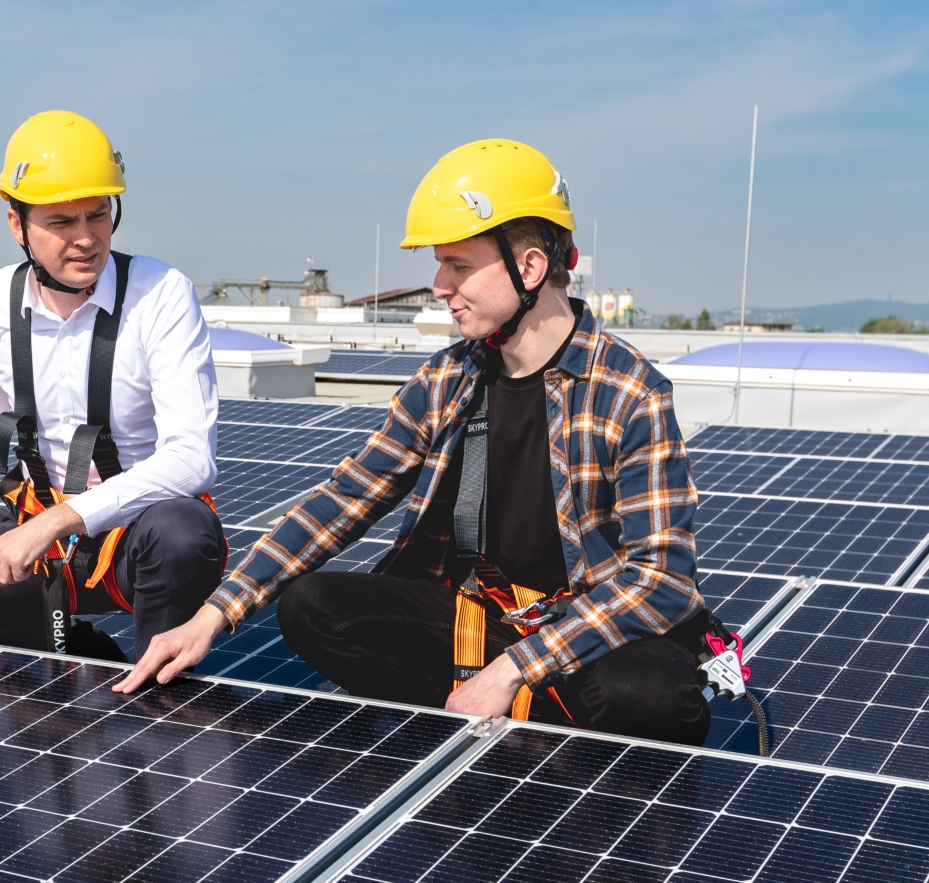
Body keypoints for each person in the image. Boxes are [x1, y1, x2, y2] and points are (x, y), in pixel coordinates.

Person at [117, 139, 712, 745]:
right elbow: (343, 500)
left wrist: (516, 669)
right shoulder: (447, 380)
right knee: (310, 607)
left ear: (529, 268)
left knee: (651, 697)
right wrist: (215, 614)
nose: (438, 285)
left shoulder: (628, 393)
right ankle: (478, 720)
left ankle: (513, 706)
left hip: (583, 629)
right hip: (483, 617)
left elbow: (662, 580)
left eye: (458, 265)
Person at [0, 111, 225, 661]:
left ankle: (155, 694)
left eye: (99, 214)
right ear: (17, 224)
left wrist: (59, 521)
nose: (86, 238)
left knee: (185, 533)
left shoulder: (161, 294)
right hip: (37, 532)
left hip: (137, 538)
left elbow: (192, 458)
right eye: (62, 222)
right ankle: (78, 658)